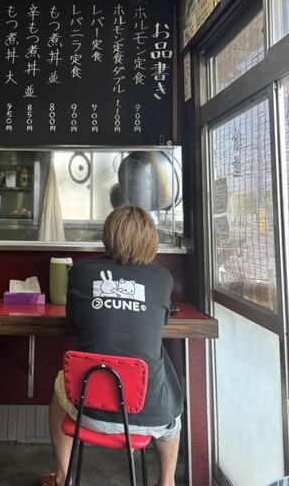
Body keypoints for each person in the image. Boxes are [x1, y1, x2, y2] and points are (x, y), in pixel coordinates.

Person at [42, 205, 183, 486]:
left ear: (108, 236)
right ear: (151, 240)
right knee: (173, 418)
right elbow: (163, 320)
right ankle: (166, 481)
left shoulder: (80, 272)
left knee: (61, 383)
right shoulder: (162, 278)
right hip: (149, 418)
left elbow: (74, 317)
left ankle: (63, 477)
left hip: (87, 412)